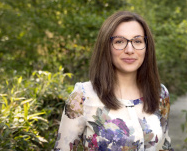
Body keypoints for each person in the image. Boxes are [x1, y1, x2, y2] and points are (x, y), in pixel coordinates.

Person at [54, 11, 173, 151]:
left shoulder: (159, 94)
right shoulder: (82, 96)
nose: (130, 49)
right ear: (106, 47)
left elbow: (165, 146)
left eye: (137, 41)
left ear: (147, 47)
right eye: (119, 41)